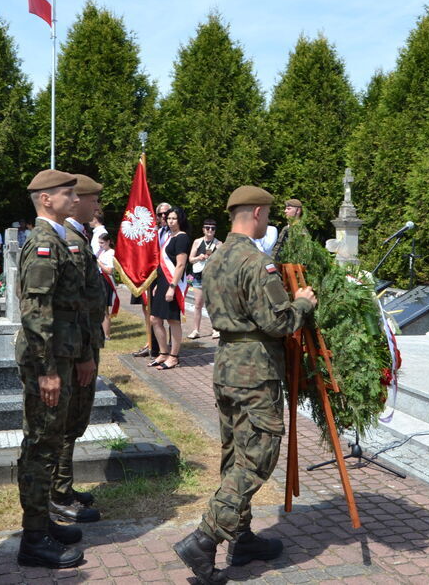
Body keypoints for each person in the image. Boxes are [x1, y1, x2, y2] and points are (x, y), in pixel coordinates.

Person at [174, 186, 316, 584]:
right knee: (257, 455)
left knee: (235, 451)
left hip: (227, 365)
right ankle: (204, 539)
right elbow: (278, 322)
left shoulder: (216, 258)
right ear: (255, 212)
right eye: (267, 213)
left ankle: (243, 538)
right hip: (255, 367)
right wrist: (303, 302)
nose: (269, 220)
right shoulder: (256, 262)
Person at [14, 169, 85, 569]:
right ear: (45, 199)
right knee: (40, 447)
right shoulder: (42, 243)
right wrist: (47, 371)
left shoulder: (55, 238)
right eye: (66, 193)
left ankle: (42, 523)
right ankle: (33, 538)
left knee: (50, 444)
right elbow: (35, 312)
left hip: (60, 357)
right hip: (48, 361)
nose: (74, 199)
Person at [52, 174, 107, 524]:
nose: (97, 207)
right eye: (94, 200)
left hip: (81, 345)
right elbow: (76, 304)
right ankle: (58, 493)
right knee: (65, 422)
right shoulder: (70, 240)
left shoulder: (77, 237)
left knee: (73, 422)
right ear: (78, 201)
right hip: (73, 349)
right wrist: (85, 353)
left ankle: (64, 487)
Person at [149, 206, 190, 370]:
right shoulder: (169, 236)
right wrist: (159, 284)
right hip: (163, 281)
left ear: (180, 220)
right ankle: (163, 352)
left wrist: (172, 287)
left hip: (173, 282)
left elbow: (180, 265)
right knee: (155, 319)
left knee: (172, 320)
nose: (171, 220)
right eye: (170, 218)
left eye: (174, 218)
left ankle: (174, 356)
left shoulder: (182, 238)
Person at [132, 202, 172, 358]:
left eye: (167, 214)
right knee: (149, 312)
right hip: (150, 275)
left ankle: (170, 348)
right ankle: (152, 344)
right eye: (161, 214)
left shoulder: (174, 233)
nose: (164, 217)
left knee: (168, 316)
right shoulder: (153, 232)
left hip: (166, 277)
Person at [187, 219, 221, 340]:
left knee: (212, 304)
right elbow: (190, 259)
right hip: (198, 276)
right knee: (197, 304)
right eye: (207, 228)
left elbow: (223, 262)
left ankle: (216, 329)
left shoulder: (218, 244)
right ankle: (196, 330)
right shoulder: (197, 242)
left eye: (213, 228)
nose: (210, 230)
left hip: (212, 277)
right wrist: (198, 257)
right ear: (203, 229)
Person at [96, 233, 117, 340]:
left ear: (108, 242)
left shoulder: (111, 253)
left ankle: (106, 335)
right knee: (99, 308)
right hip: (99, 279)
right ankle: (101, 332)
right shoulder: (102, 252)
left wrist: (99, 263)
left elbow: (109, 270)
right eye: (99, 242)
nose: (100, 245)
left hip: (105, 281)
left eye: (102, 243)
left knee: (105, 309)